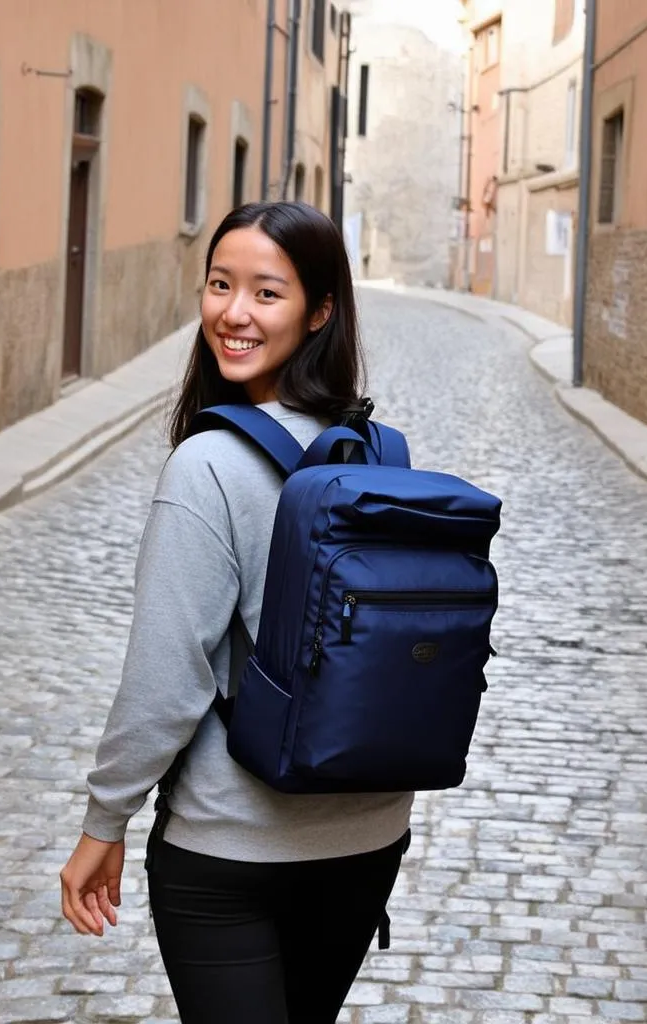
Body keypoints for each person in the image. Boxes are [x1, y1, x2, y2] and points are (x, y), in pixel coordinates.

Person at [60, 201, 414, 1024]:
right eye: (221, 285)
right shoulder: (377, 452)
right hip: (366, 839)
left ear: (320, 310)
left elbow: (165, 680)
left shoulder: (208, 464)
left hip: (231, 846)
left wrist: (102, 822)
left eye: (266, 292)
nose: (233, 313)